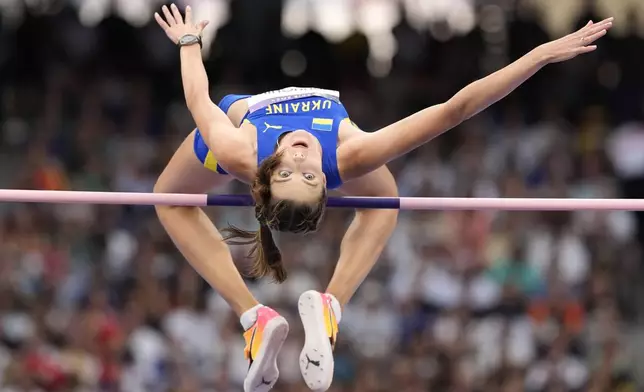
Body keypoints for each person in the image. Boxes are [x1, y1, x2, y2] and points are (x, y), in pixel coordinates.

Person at [152, 4, 612, 392]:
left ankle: (254, 317)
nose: (299, 155)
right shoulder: (349, 157)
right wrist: (538, 56)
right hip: (323, 148)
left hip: (240, 114)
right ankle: (327, 307)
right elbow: (454, 110)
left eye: (292, 170)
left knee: (168, 198)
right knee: (384, 205)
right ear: (327, 182)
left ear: (268, 175)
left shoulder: (241, 152)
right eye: (308, 174)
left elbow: (198, 97)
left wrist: (189, 42)